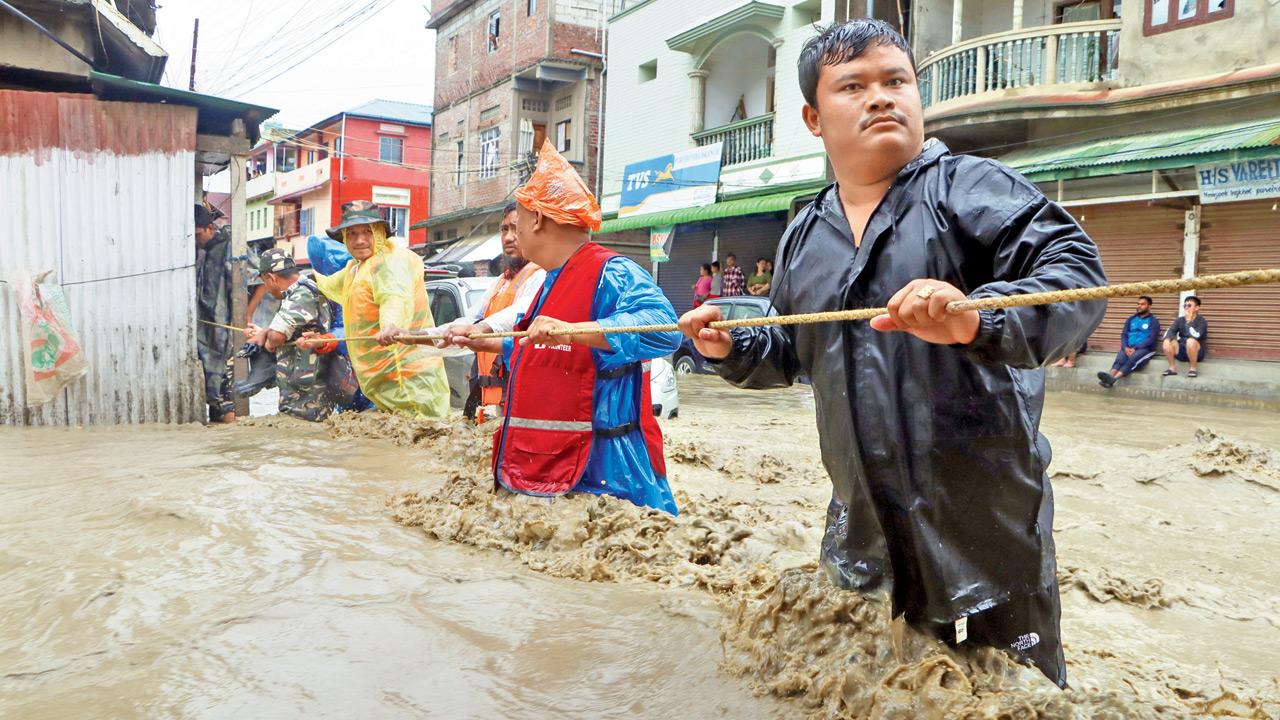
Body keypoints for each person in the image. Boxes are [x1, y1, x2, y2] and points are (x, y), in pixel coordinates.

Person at [677, 20, 1106, 687]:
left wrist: (976, 318)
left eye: (896, 81)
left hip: (984, 528)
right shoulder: (804, 233)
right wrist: (731, 346)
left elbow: (1077, 273)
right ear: (814, 118)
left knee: (1004, 692)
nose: (882, 97)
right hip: (862, 528)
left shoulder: (967, 188)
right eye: (855, 85)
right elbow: (793, 346)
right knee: (869, 683)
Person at [447, 141, 681, 514]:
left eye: (516, 222)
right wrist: (483, 341)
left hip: (609, 470)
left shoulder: (612, 271)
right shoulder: (550, 280)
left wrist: (573, 329)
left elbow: (665, 329)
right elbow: (546, 352)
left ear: (537, 218)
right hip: (551, 465)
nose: (512, 234)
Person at [312, 200, 451, 418]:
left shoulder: (390, 260)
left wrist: (390, 325)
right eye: (352, 234)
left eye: (367, 232)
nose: (359, 240)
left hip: (408, 375)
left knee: (425, 429)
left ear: (379, 233)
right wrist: (294, 280)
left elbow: (394, 296)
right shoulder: (355, 269)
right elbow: (327, 285)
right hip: (383, 379)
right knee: (397, 439)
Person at [429, 202, 546, 419]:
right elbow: (468, 319)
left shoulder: (542, 275)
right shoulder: (501, 281)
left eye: (516, 229)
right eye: (504, 229)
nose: (508, 237)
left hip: (522, 400)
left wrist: (479, 328)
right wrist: (415, 336)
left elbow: (521, 312)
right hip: (496, 399)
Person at [242, 249, 339, 421]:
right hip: (303, 381)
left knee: (301, 427)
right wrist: (263, 332)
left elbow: (276, 338)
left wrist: (265, 338)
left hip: (307, 393)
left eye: (265, 282)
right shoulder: (302, 290)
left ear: (271, 278)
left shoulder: (301, 294)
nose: (267, 289)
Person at [194, 204, 236, 424]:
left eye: (198, 235)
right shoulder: (202, 252)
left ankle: (232, 437)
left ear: (210, 228)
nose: (196, 240)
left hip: (225, 333)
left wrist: (244, 316)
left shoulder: (230, 248)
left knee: (225, 393)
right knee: (213, 392)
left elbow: (258, 281)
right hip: (206, 333)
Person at [1097, 296, 1160, 388]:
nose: (1139, 306)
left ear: (1149, 306)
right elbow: (1124, 335)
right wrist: (1125, 347)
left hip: (1145, 349)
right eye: (1138, 304)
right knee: (1120, 358)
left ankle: (1113, 379)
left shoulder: (1153, 321)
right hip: (1129, 347)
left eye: (1142, 304)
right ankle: (1109, 377)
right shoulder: (1131, 319)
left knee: (1133, 359)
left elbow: (1151, 339)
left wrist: (1135, 348)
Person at [1162, 295, 1207, 378]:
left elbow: (1196, 336)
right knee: (1167, 341)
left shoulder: (1202, 321)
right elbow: (1170, 331)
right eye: (1185, 306)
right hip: (1182, 351)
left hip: (1196, 352)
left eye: (1189, 305)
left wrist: (1189, 322)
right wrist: (1167, 339)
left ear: (1197, 308)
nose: (1186, 308)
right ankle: (1172, 368)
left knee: (1190, 341)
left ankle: (1193, 369)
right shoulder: (1180, 320)